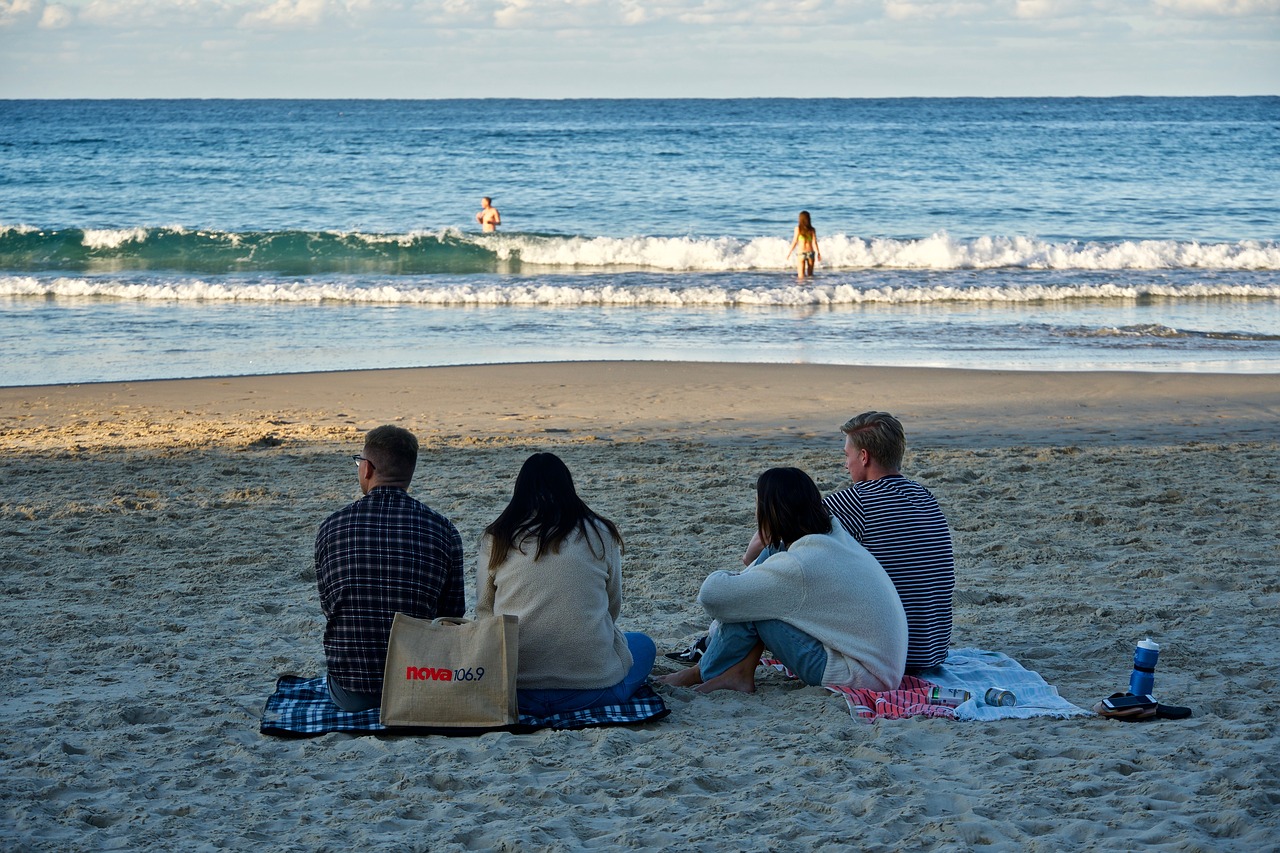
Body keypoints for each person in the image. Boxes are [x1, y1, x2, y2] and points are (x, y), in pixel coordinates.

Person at [670, 411, 955, 675]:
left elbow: (771, 535)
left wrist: (750, 561)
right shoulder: (925, 498)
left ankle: (713, 640)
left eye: (848, 455)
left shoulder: (855, 502)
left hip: (893, 651)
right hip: (931, 648)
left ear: (865, 457)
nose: (846, 464)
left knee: (776, 556)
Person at [658, 467, 906, 695]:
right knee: (760, 585)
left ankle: (703, 672)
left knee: (755, 604)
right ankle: (738, 672)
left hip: (861, 675)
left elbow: (711, 596)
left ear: (770, 512)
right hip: (880, 666)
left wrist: (739, 577)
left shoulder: (800, 565)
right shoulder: (831, 535)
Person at [476, 452, 656, 715]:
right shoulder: (600, 533)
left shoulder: (497, 537)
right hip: (593, 692)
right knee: (642, 644)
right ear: (568, 488)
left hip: (515, 693)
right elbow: (612, 606)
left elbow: (484, 612)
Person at [315, 425, 465, 712]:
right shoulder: (442, 529)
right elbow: (452, 616)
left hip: (352, 690)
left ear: (368, 469)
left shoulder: (332, 527)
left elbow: (330, 606)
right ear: (409, 472)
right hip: (421, 685)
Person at [785, 210, 821, 280]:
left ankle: (801, 290)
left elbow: (794, 241)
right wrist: (818, 253)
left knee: (801, 277)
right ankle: (810, 289)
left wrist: (789, 253)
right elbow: (814, 242)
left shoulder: (798, 229)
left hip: (801, 253)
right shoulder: (812, 229)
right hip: (811, 253)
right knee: (810, 276)